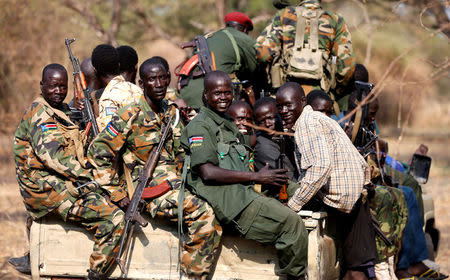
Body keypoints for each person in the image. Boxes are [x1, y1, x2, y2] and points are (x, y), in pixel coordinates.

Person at [88, 58, 222, 280]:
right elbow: (98, 153)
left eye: (163, 78)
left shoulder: (170, 113)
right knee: (204, 215)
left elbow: (182, 151)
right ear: (142, 84)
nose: (159, 83)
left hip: (178, 182)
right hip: (150, 191)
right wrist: (118, 194)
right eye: (152, 79)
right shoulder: (129, 115)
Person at [181, 71, 308, 280]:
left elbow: (246, 146)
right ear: (205, 96)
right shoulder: (201, 126)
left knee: (297, 189)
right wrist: (256, 178)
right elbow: (207, 172)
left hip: (245, 189)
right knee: (292, 224)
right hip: (231, 202)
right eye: (217, 93)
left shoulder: (226, 124)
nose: (223, 97)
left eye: (227, 93)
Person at [13, 63, 125, 280]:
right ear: (42, 85)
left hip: (60, 182)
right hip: (44, 190)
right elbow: (56, 158)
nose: (58, 91)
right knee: (114, 218)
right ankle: (96, 273)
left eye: (62, 87)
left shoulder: (61, 110)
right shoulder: (40, 114)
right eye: (53, 86)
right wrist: (92, 176)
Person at [276, 82, 377, 279]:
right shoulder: (317, 118)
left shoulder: (306, 125)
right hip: (352, 195)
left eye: (288, 105)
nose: (284, 111)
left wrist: (293, 205)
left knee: (356, 270)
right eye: (279, 107)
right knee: (350, 268)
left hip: (343, 200)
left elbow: (320, 167)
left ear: (303, 102)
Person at [256, 0, 356, 110]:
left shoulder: (284, 15)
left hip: (286, 98)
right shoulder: (335, 20)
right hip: (320, 99)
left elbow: (262, 54)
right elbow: (346, 68)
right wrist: (335, 91)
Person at [179, 12, 258, 109]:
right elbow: (255, 69)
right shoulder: (242, 38)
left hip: (186, 95)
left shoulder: (209, 36)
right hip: (213, 99)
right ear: (245, 30)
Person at [92, 44, 143, 130]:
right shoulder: (136, 89)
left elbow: (109, 137)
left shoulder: (108, 96)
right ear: (118, 65)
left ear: (95, 70)